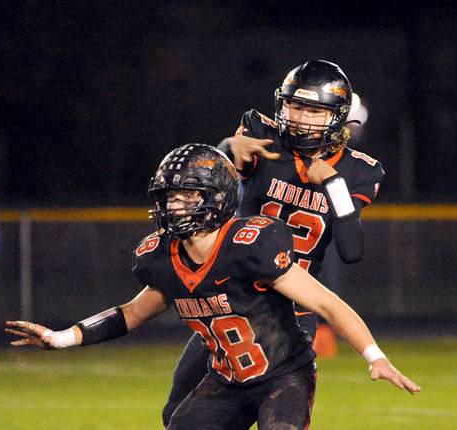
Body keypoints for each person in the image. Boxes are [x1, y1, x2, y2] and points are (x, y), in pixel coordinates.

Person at [6, 144, 418, 428]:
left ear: (216, 199)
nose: (174, 206)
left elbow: (327, 304)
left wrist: (374, 355)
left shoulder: (249, 245)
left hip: (282, 376)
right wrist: (61, 338)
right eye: (170, 197)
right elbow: (131, 313)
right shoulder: (161, 258)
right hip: (226, 381)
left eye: (187, 196)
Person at [161, 59, 385, 425]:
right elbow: (211, 177)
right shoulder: (261, 134)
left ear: (337, 116)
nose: (299, 117)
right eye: (294, 105)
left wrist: (332, 184)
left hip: (292, 311)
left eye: (312, 109)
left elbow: (352, 249)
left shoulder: (359, 170)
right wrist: (228, 147)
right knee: (178, 413)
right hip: (231, 299)